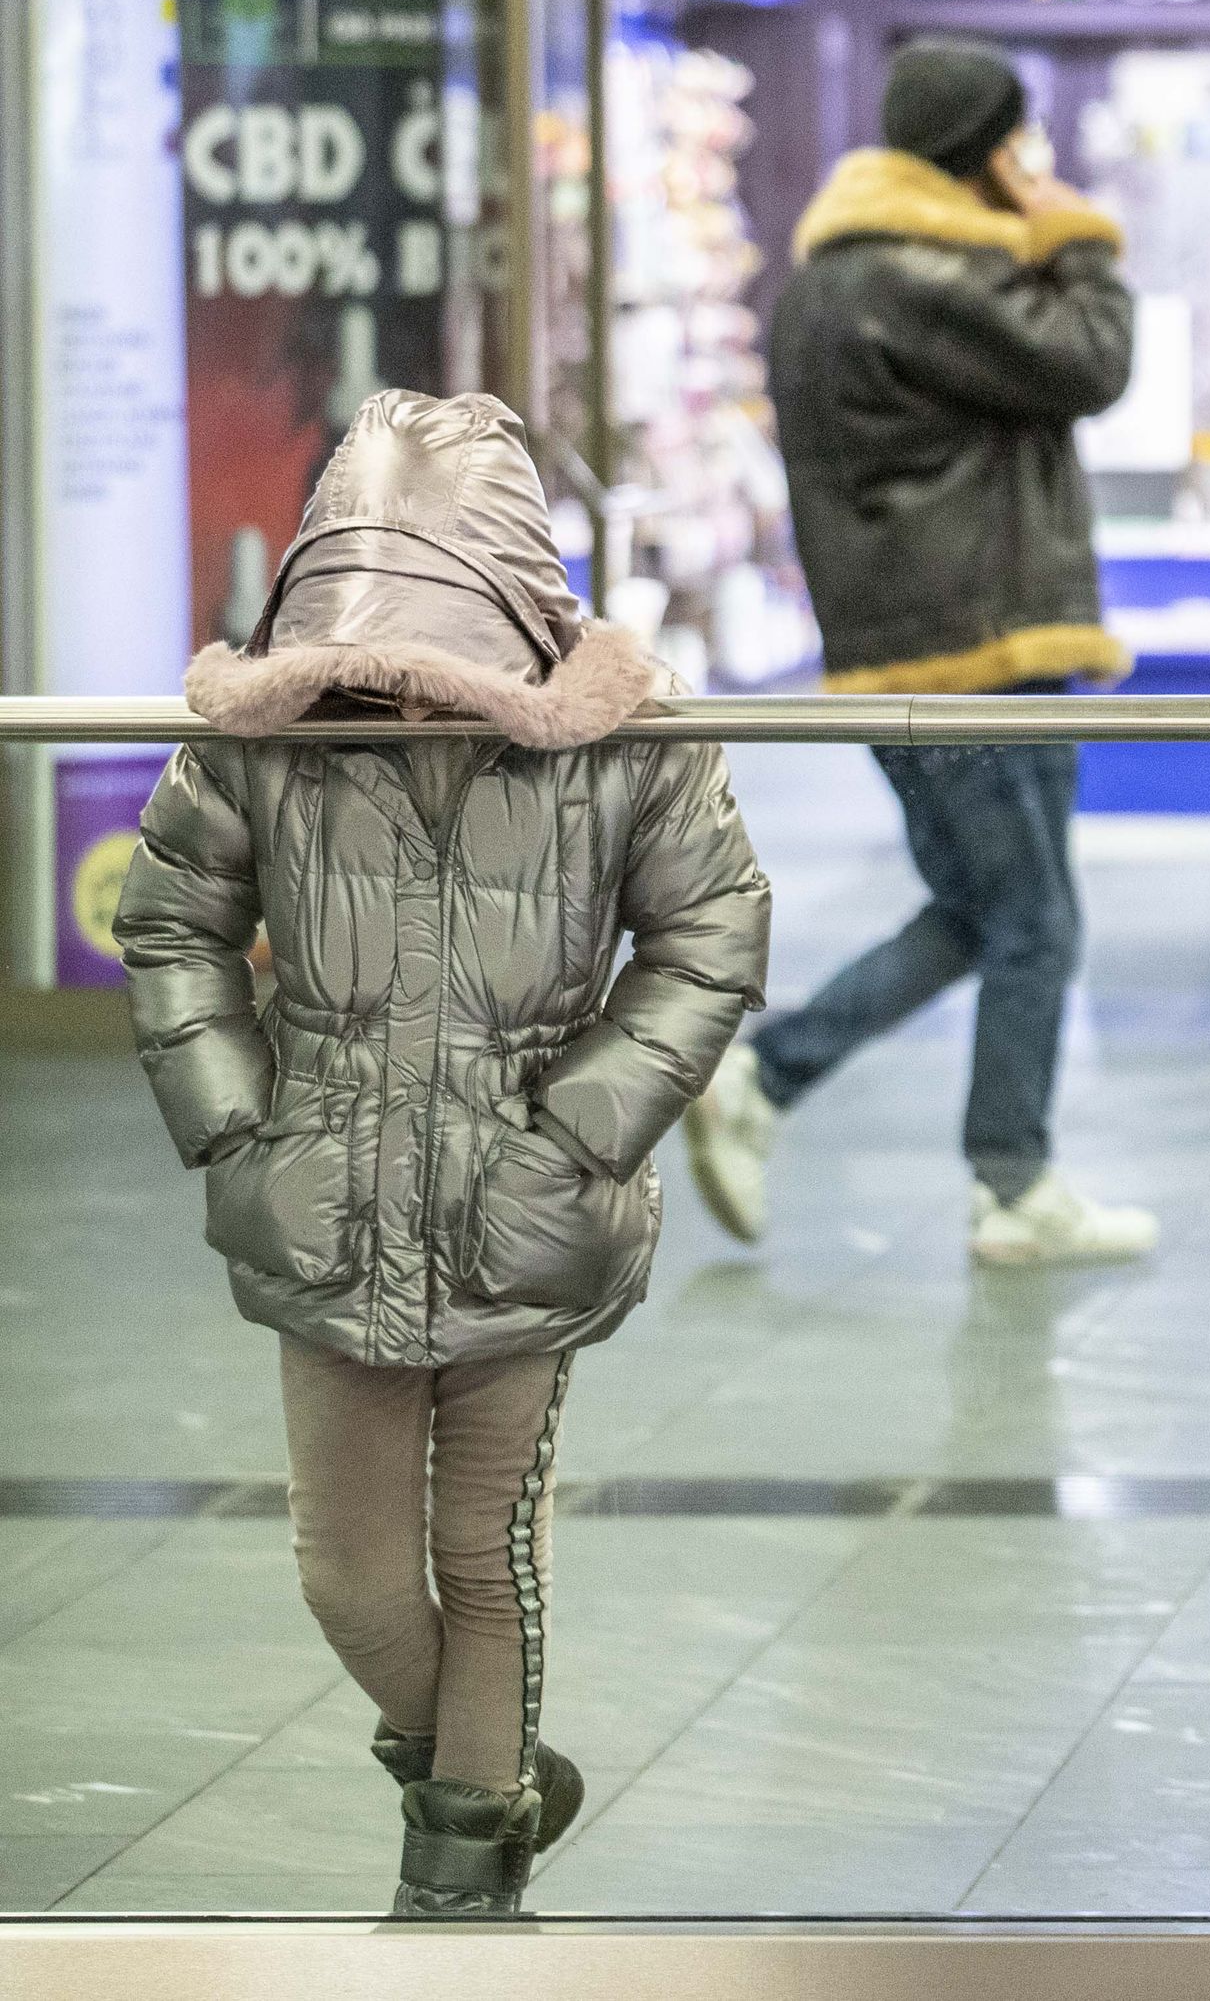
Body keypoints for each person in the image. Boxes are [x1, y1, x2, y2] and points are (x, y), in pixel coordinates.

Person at [121, 392, 771, 1916]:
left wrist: (582, 1125)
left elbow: (708, 932)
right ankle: (489, 1769)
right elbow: (173, 919)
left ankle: (463, 1868)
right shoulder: (261, 739)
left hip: (526, 1208)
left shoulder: (629, 742)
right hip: (321, 1198)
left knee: (486, 1554)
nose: (400, 693)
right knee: (347, 1572)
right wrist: (236, 1117)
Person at [682, 39, 1157, 1268]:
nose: (1033, 163)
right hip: (978, 648)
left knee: (982, 909)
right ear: (980, 151)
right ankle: (1014, 1186)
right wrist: (1077, 236)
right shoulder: (933, 275)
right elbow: (1093, 360)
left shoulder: (833, 279)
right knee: (1035, 920)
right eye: (1017, 141)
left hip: (899, 648)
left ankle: (768, 1079)